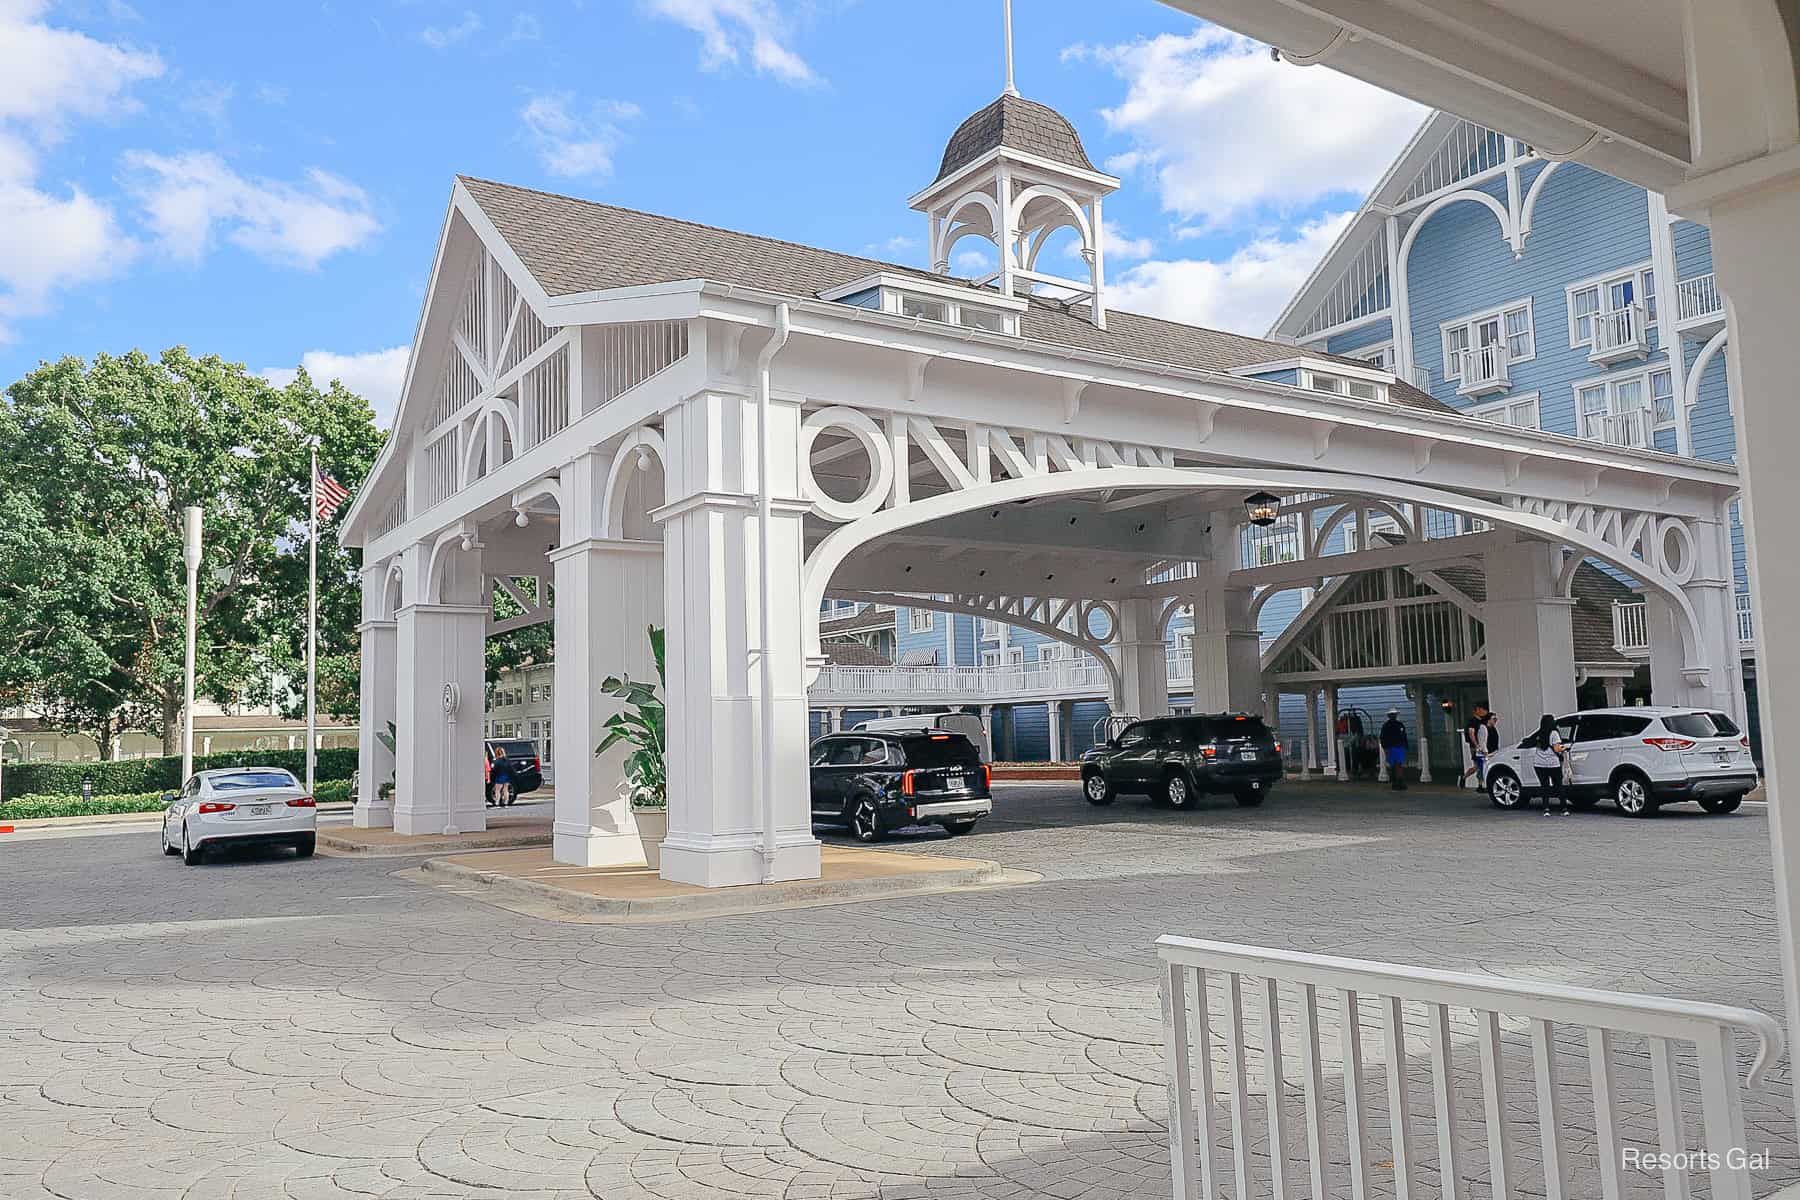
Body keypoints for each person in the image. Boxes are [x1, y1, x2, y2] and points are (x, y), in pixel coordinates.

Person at [1528, 713, 1570, 815]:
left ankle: (1546, 809)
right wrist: (1564, 748)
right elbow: (1556, 748)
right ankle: (1564, 808)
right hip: (1552, 764)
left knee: (1544, 787)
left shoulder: (1539, 734)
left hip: (1539, 764)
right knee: (1558, 786)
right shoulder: (1554, 733)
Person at [1460, 704, 1490, 790]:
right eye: (1482, 709)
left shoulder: (1481, 721)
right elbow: (1471, 732)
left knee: (1479, 765)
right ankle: (1466, 778)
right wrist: (1476, 745)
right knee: (1478, 765)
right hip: (1476, 747)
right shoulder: (1473, 721)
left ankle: (1478, 784)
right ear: (1477, 710)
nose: (1484, 711)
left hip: (1481, 746)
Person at [1379, 708, 1409, 790]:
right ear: (1389, 716)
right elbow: (1382, 737)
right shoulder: (1386, 726)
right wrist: (1385, 748)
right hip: (1391, 747)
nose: (1393, 716)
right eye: (1392, 715)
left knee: (1399, 764)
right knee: (1394, 765)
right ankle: (1396, 782)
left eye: (1394, 714)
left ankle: (1399, 782)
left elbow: (1404, 735)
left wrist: (1405, 746)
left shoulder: (1400, 724)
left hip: (1399, 747)